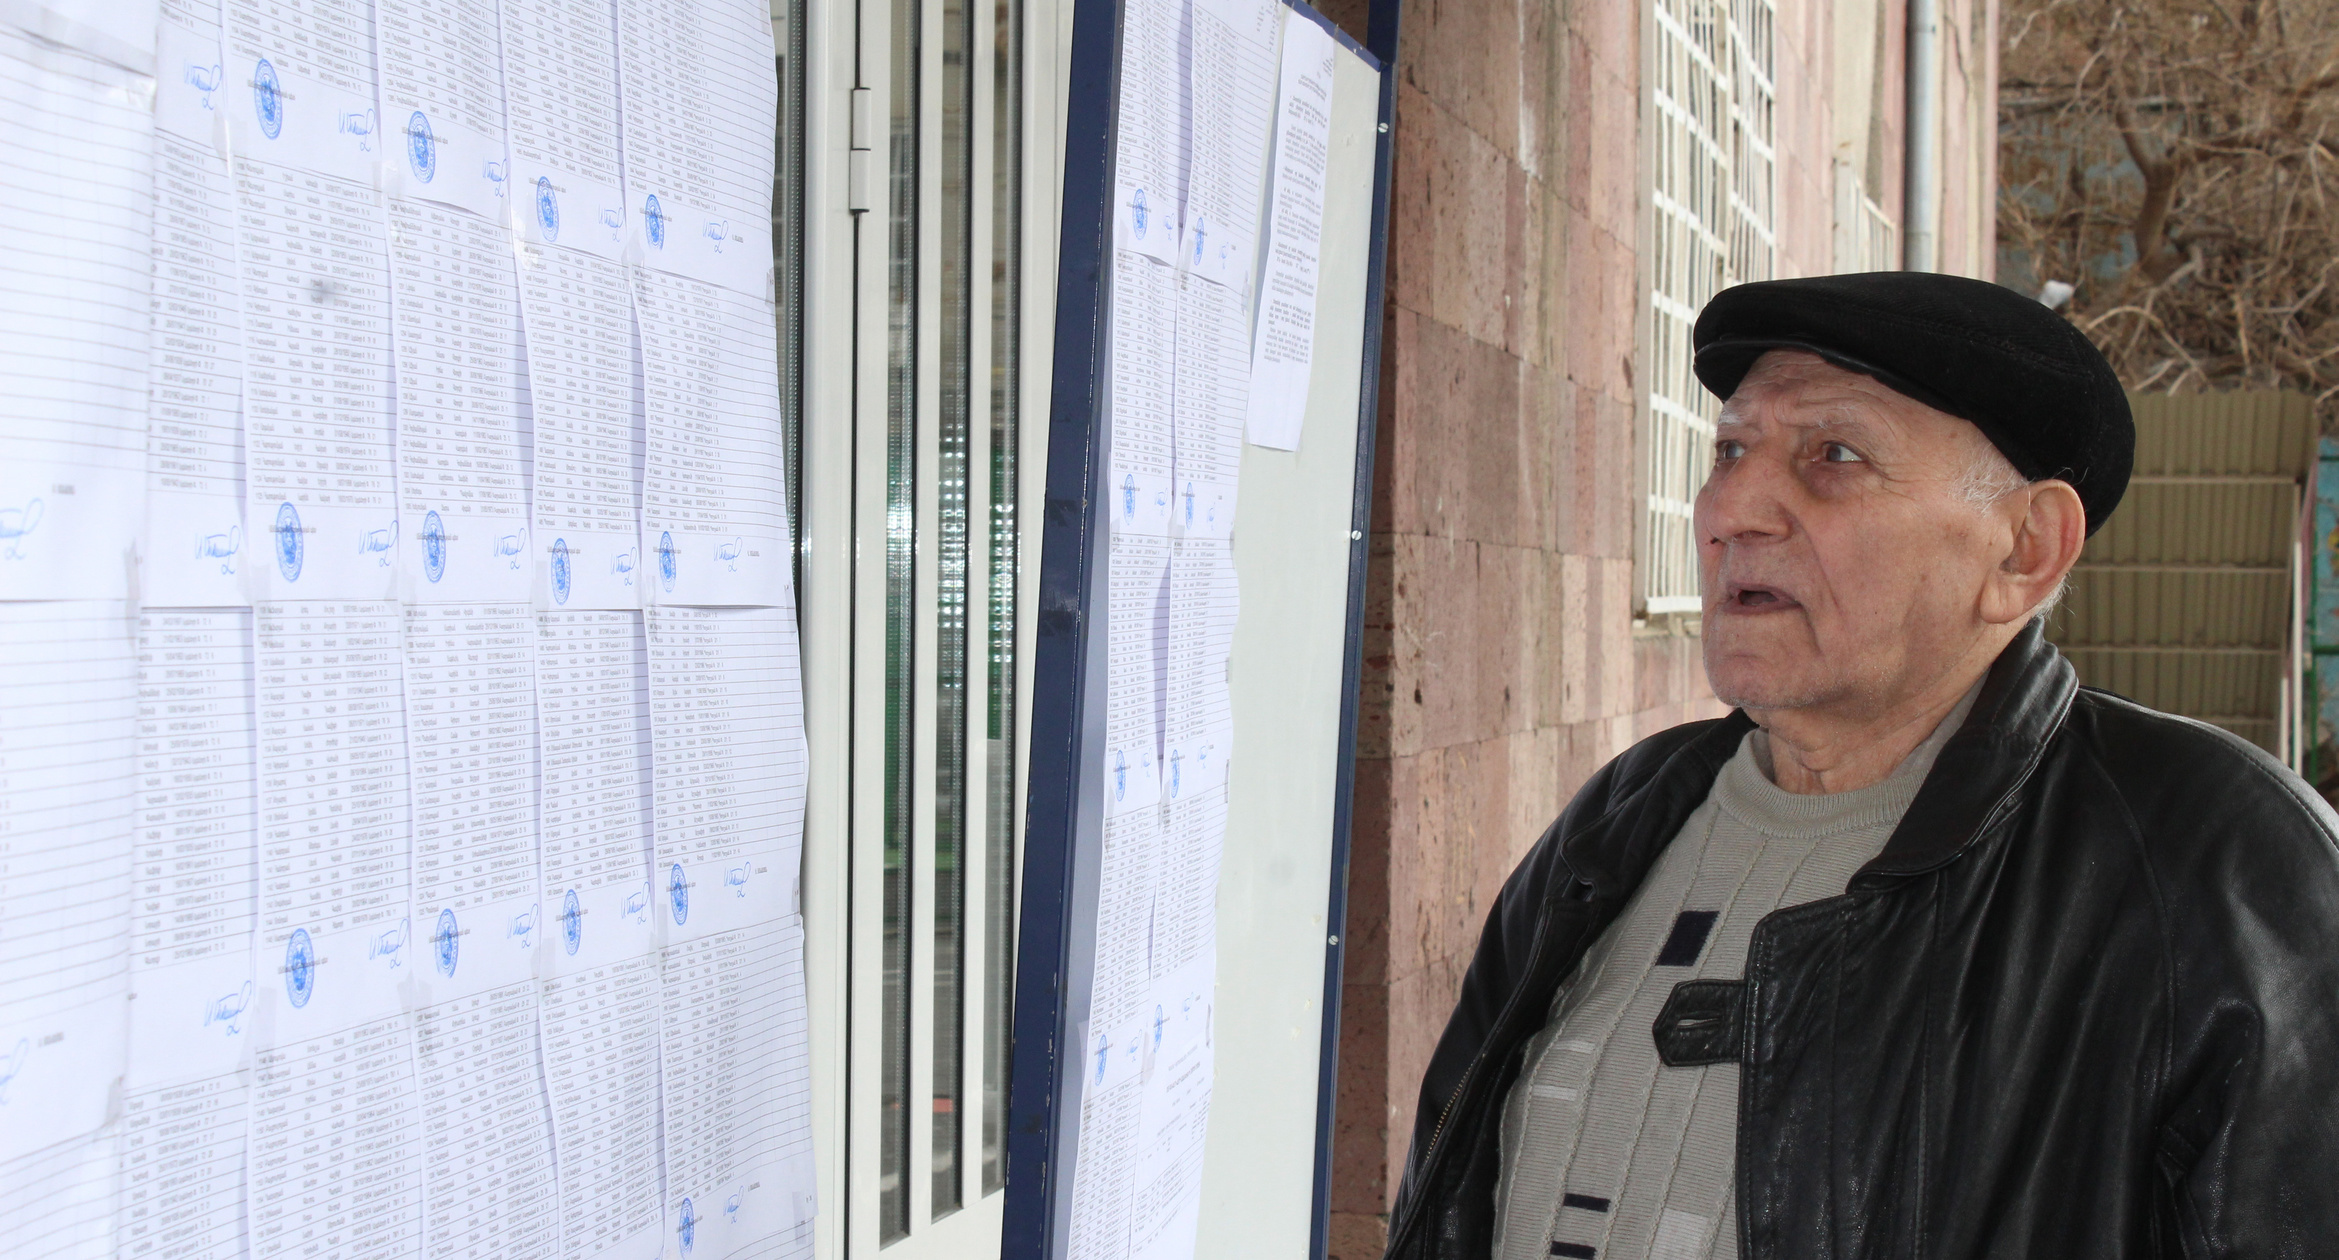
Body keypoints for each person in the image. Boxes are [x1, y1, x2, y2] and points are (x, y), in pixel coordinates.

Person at [1378, 272, 2339, 1260]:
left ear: (2023, 550)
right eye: (1729, 450)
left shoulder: (2219, 862)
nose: (1729, 509)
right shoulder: (1624, 815)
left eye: (1832, 455)